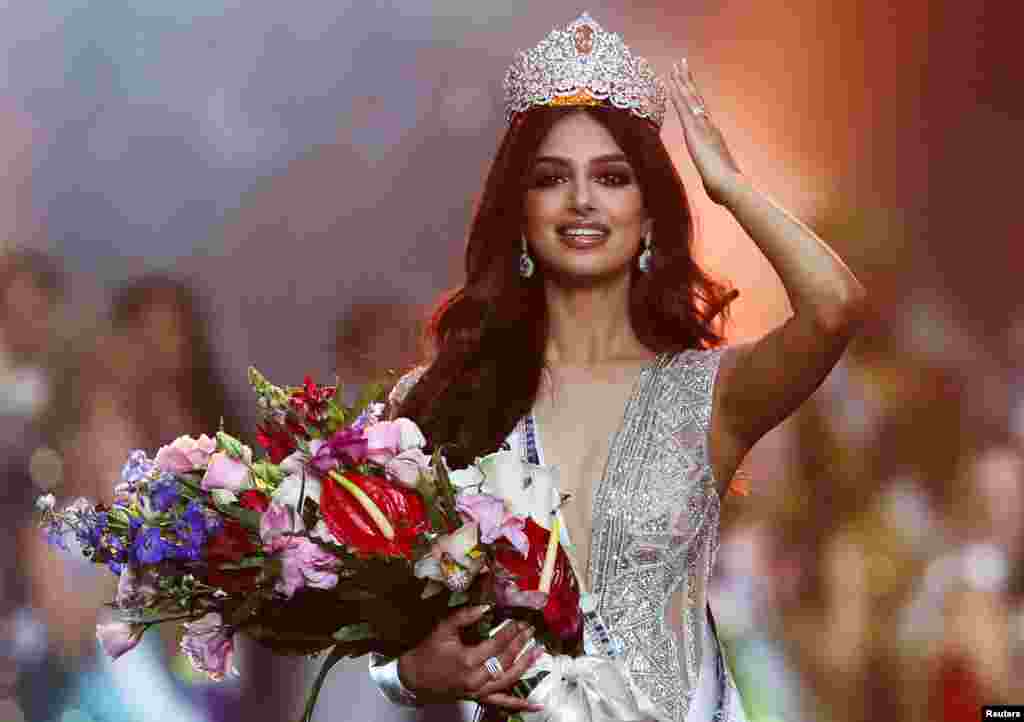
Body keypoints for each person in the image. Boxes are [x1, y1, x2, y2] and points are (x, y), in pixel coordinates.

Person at [370, 13, 866, 722]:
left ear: (649, 213)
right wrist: (408, 676)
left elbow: (836, 307)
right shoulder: (441, 400)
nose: (582, 201)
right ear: (519, 212)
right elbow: (369, 624)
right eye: (551, 179)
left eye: (611, 177)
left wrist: (728, 185)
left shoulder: (709, 394)